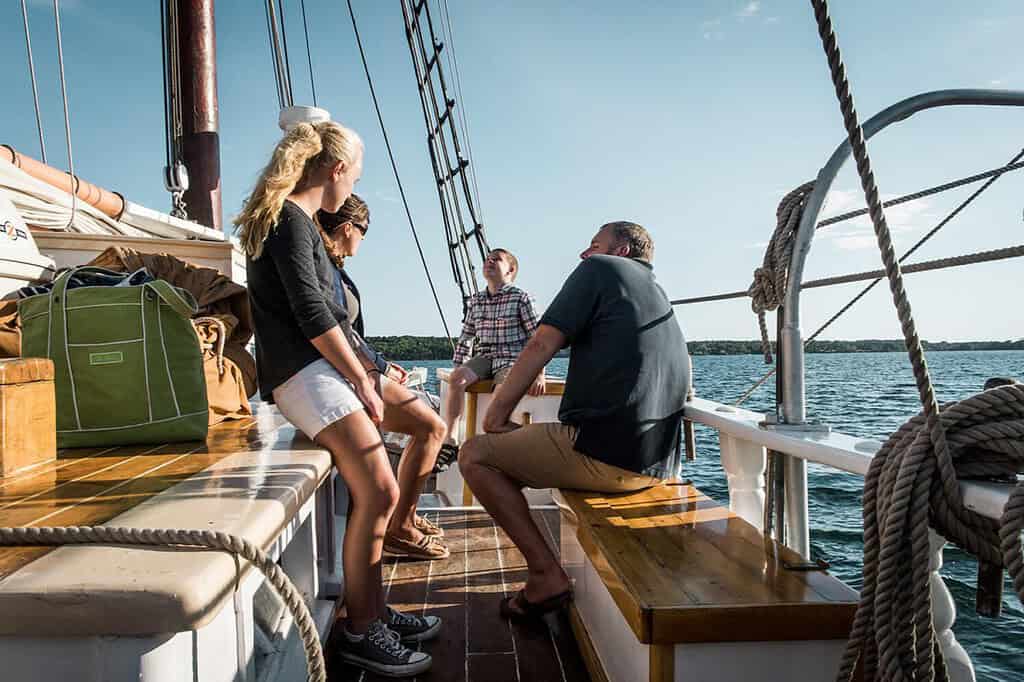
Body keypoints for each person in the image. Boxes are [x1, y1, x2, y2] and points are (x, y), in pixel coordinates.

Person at [237, 121, 438, 677]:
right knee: (378, 488)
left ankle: (371, 612)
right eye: (356, 174)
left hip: (319, 370)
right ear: (336, 169)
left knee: (383, 479)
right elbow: (313, 315)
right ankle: (359, 630)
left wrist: (368, 372)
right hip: (304, 374)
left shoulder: (295, 221)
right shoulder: (288, 221)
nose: (354, 187)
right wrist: (365, 382)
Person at [459, 221, 691, 623]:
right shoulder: (655, 292)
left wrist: (495, 416)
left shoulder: (600, 270)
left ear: (619, 252)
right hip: (657, 466)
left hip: (608, 456)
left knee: (475, 455)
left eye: (594, 245)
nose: (584, 254)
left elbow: (541, 342)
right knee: (520, 448)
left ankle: (545, 575)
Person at [317, 195, 451, 561]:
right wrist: (376, 365)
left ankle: (403, 518)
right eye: (363, 232)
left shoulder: (328, 267)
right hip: (344, 377)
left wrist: (381, 364)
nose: (362, 240)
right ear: (348, 229)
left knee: (430, 427)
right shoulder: (327, 271)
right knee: (433, 428)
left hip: (350, 372)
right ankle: (401, 526)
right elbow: (339, 331)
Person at [443, 248, 544, 444]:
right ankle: (451, 438)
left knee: (500, 395)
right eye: (487, 259)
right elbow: (467, 337)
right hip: (485, 357)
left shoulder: (521, 298)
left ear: (510, 270)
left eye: (496, 259)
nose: (489, 261)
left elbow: (539, 338)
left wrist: (539, 374)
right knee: (456, 379)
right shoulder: (476, 301)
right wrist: (460, 367)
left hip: (513, 358)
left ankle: (516, 444)